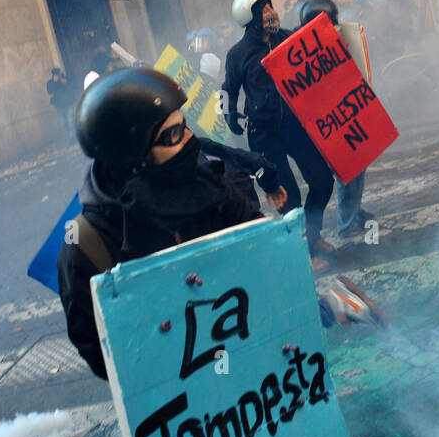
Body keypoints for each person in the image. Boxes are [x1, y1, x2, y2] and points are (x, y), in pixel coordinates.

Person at [58, 68, 381, 380]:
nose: (189, 139)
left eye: (184, 126)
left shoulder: (213, 189)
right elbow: (102, 357)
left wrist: (323, 306)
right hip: (182, 408)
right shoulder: (87, 246)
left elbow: (268, 261)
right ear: (130, 155)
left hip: (258, 380)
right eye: (172, 134)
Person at [222, 0, 337, 262]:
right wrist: (230, 116)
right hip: (264, 134)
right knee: (289, 197)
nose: (270, 13)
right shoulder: (238, 54)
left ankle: (313, 234)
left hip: (297, 127)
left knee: (322, 181)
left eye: (269, 5)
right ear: (248, 18)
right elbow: (229, 89)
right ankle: (301, 253)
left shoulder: (288, 38)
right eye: (262, 9)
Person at [299, 0, 379, 240]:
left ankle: (355, 210)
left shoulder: (335, 41)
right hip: (330, 122)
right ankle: (346, 224)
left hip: (346, 114)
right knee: (348, 171)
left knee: (359, 165)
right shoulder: (305, 52)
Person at [47, 68, 78, 141]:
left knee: (70, 120)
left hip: (68, 103)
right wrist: (54, 82)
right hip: (59, 106)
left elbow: (72, 86)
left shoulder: (65, 78)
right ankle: (72, 134)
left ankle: (72, 137)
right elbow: (49, 91)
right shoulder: (50, 82)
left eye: (58, 74)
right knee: (63, 123)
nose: (57, 76)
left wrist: (64, 81)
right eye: (56, 74)